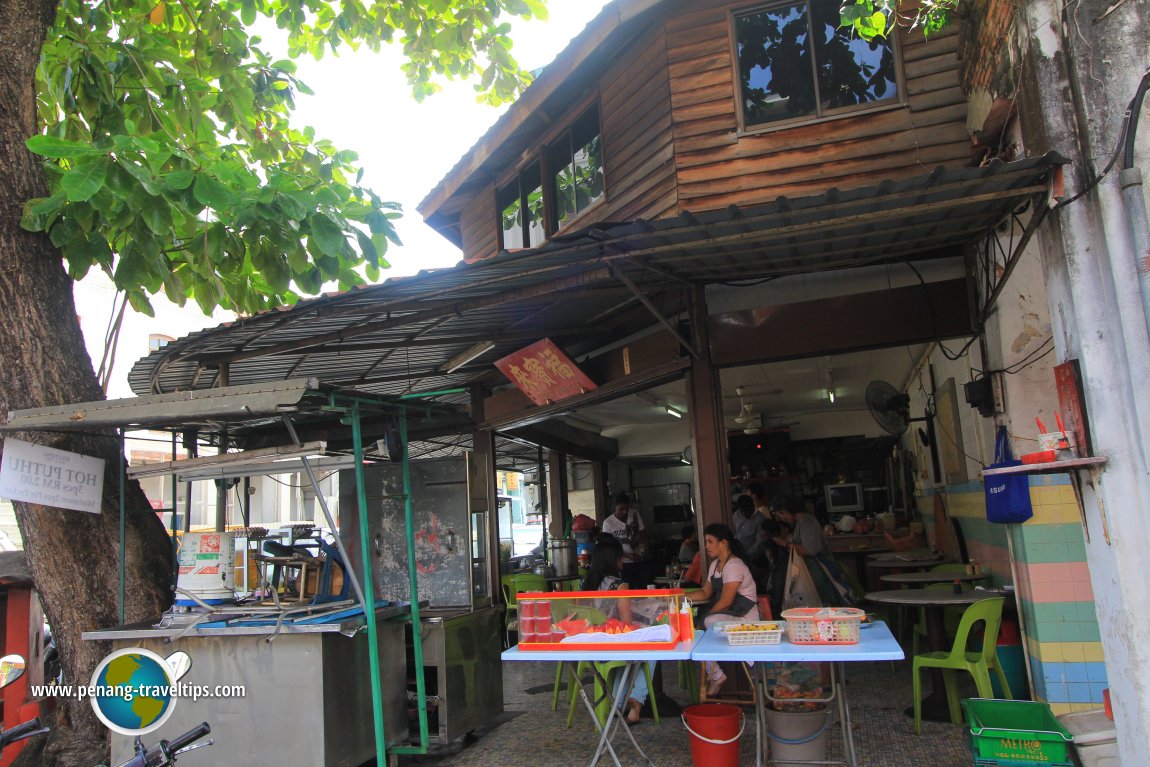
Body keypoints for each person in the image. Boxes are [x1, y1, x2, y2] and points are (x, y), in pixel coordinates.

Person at [685, 523, 760, 696]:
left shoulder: (734, 565)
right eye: (705, 542)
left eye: (710, 541)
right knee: (695, 632)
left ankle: (717, 676)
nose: (706, 546)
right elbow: (705, 592)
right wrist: (681, 597)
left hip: (744, 618)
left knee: (705, 624)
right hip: (728, 618)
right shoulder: (715, 566)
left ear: (723, 543)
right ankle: (717, 674)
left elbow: (726, 601)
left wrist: (705, 618)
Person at [582, 537, 649, 724]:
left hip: (588, 646)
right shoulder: (619, 585)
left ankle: (618, 704)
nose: (623, 563)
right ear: (616, 560)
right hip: (610, 645)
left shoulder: (585, 584)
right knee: (652, 649)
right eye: (621, 559)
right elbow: (627, 624)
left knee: (630, 657)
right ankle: (635, 703)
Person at [771, 494, 856, 606]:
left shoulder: (807, 522)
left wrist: (784, 543)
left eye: (782, 514)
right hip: (812, 574)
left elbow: (809, 550)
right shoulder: (801, 522)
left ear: (785, 510)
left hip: (819, 573)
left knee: (824, 605)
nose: (783, 519)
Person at [601, 492, 651, 587]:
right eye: (621, 509)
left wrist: (644, 550)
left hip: (640, 561)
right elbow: (609, 548)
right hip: (623, 564)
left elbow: (643, 534)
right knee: (628, 589)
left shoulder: (634, 514)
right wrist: (627, 556)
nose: (625, 512)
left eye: (627, 509)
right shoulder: (608, 523)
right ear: (614, 507)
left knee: (643, 588)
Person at [733, 494, 764, 560]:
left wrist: (746, 555)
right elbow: (734, 532)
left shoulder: (760, 519)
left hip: (753, 557)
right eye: (742, 511)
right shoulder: (736, 515)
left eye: (746, 511)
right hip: (736, 553)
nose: (744, 514)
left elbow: (759, 542)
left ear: (752, 506)